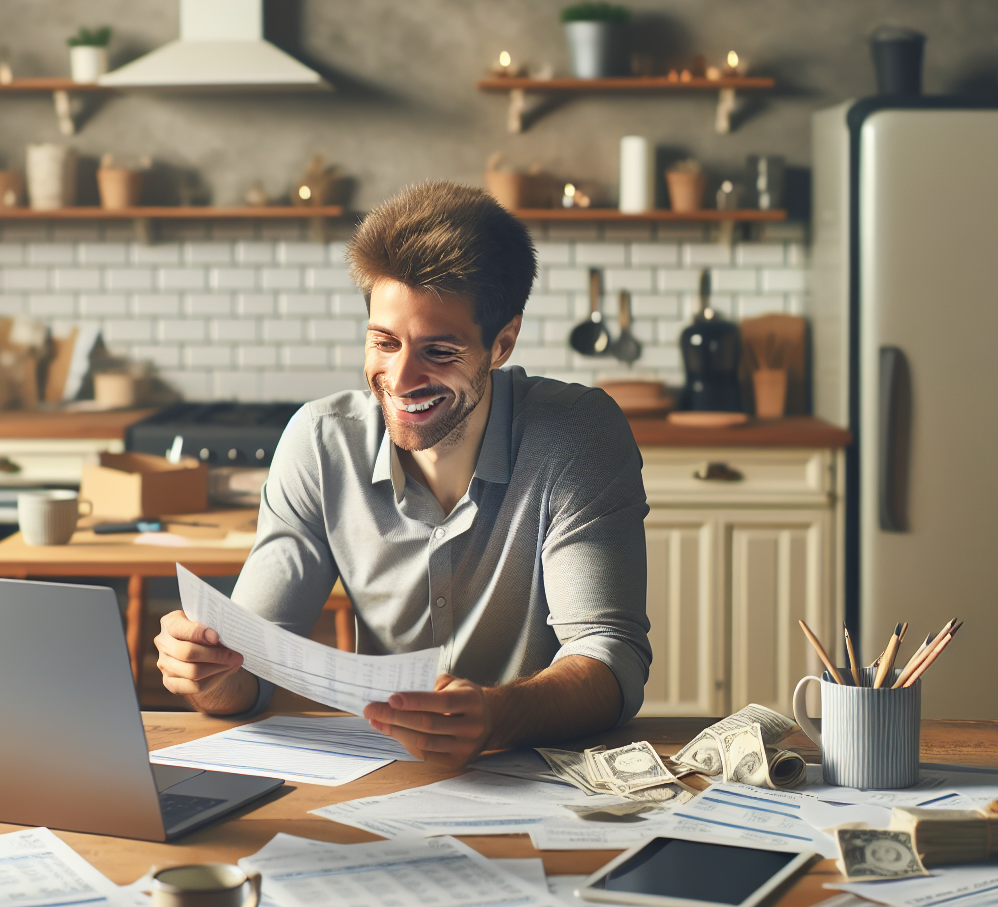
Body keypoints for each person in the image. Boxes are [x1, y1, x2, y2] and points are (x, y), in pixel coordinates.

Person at [155, 181, 651, 767]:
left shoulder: (576, 435)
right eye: (384, 342)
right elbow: (250, 670)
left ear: (502, 343)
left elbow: (610, 656)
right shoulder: (320, 443)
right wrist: (208, 673)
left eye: (439, 352)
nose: (401, 377)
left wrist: (498, 714)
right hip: (377, 778)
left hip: (540, 775)